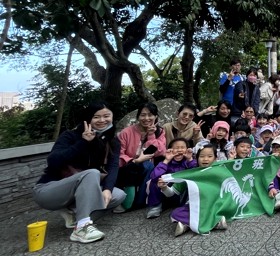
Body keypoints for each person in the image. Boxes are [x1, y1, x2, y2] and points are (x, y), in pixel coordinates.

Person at [32, 102, 127, 243]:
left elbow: (113, 167)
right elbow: (53, 161)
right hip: (48, 190)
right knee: (92, 173)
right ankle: (82, 228)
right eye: (96, 117)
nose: (102, 120)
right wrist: (83, 142)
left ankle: (78, 220)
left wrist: (107, 189)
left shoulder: (111, 141)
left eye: (106, 116)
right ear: (88, 119)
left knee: (118, 195)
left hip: (78, 192)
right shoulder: (70, 136)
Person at [116, 103, 166, 212]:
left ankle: (140, 201)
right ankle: (135, 201)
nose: (146, 118)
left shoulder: (160, 131)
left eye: (150, 115)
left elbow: (160, 152)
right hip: (128, 167)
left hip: (147, 166)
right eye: (143, 115)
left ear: (156, 117)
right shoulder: (126, 132)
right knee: (147, 165)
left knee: (149, 165)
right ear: (138, 116)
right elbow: (119, 154)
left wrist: (151, 135)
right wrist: (135, 161)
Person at [170, 145, 228, 236]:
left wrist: (231, 159)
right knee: (175, 213)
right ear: (196, 159)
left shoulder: (219, 172)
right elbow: (171, 192)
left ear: (215, 158)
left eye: (209, 156)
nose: (205, 159)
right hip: (194, 206)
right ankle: (216, 222)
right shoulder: (190, 174)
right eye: (201, 156)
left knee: (222, 208)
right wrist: (163, 187)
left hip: (213, 205)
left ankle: (186, 225)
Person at [146, 138, 196, 219]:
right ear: (170, 150)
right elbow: (154, 176)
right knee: (155, 181)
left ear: (187, 149)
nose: (179, 150)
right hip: (165, 193)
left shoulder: (188, 161)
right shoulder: (166, 162)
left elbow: (196, 173)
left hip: (181, 195)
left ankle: (186, 207)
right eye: (176, 148)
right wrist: (166, 160)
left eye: (182, 147)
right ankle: (155, 207)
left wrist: (190, 159)